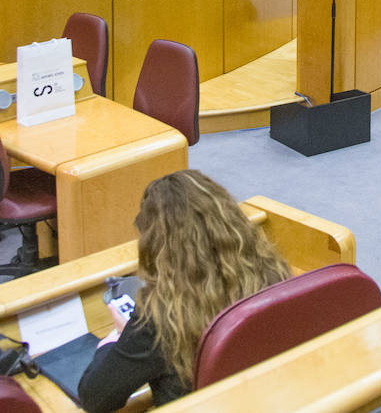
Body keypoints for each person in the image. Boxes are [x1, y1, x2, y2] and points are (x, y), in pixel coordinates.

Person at [77, 170, 290, 411]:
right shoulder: (271, 271)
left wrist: (113, 341)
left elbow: (95, 398)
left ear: (156, 244)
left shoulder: (161, 315)